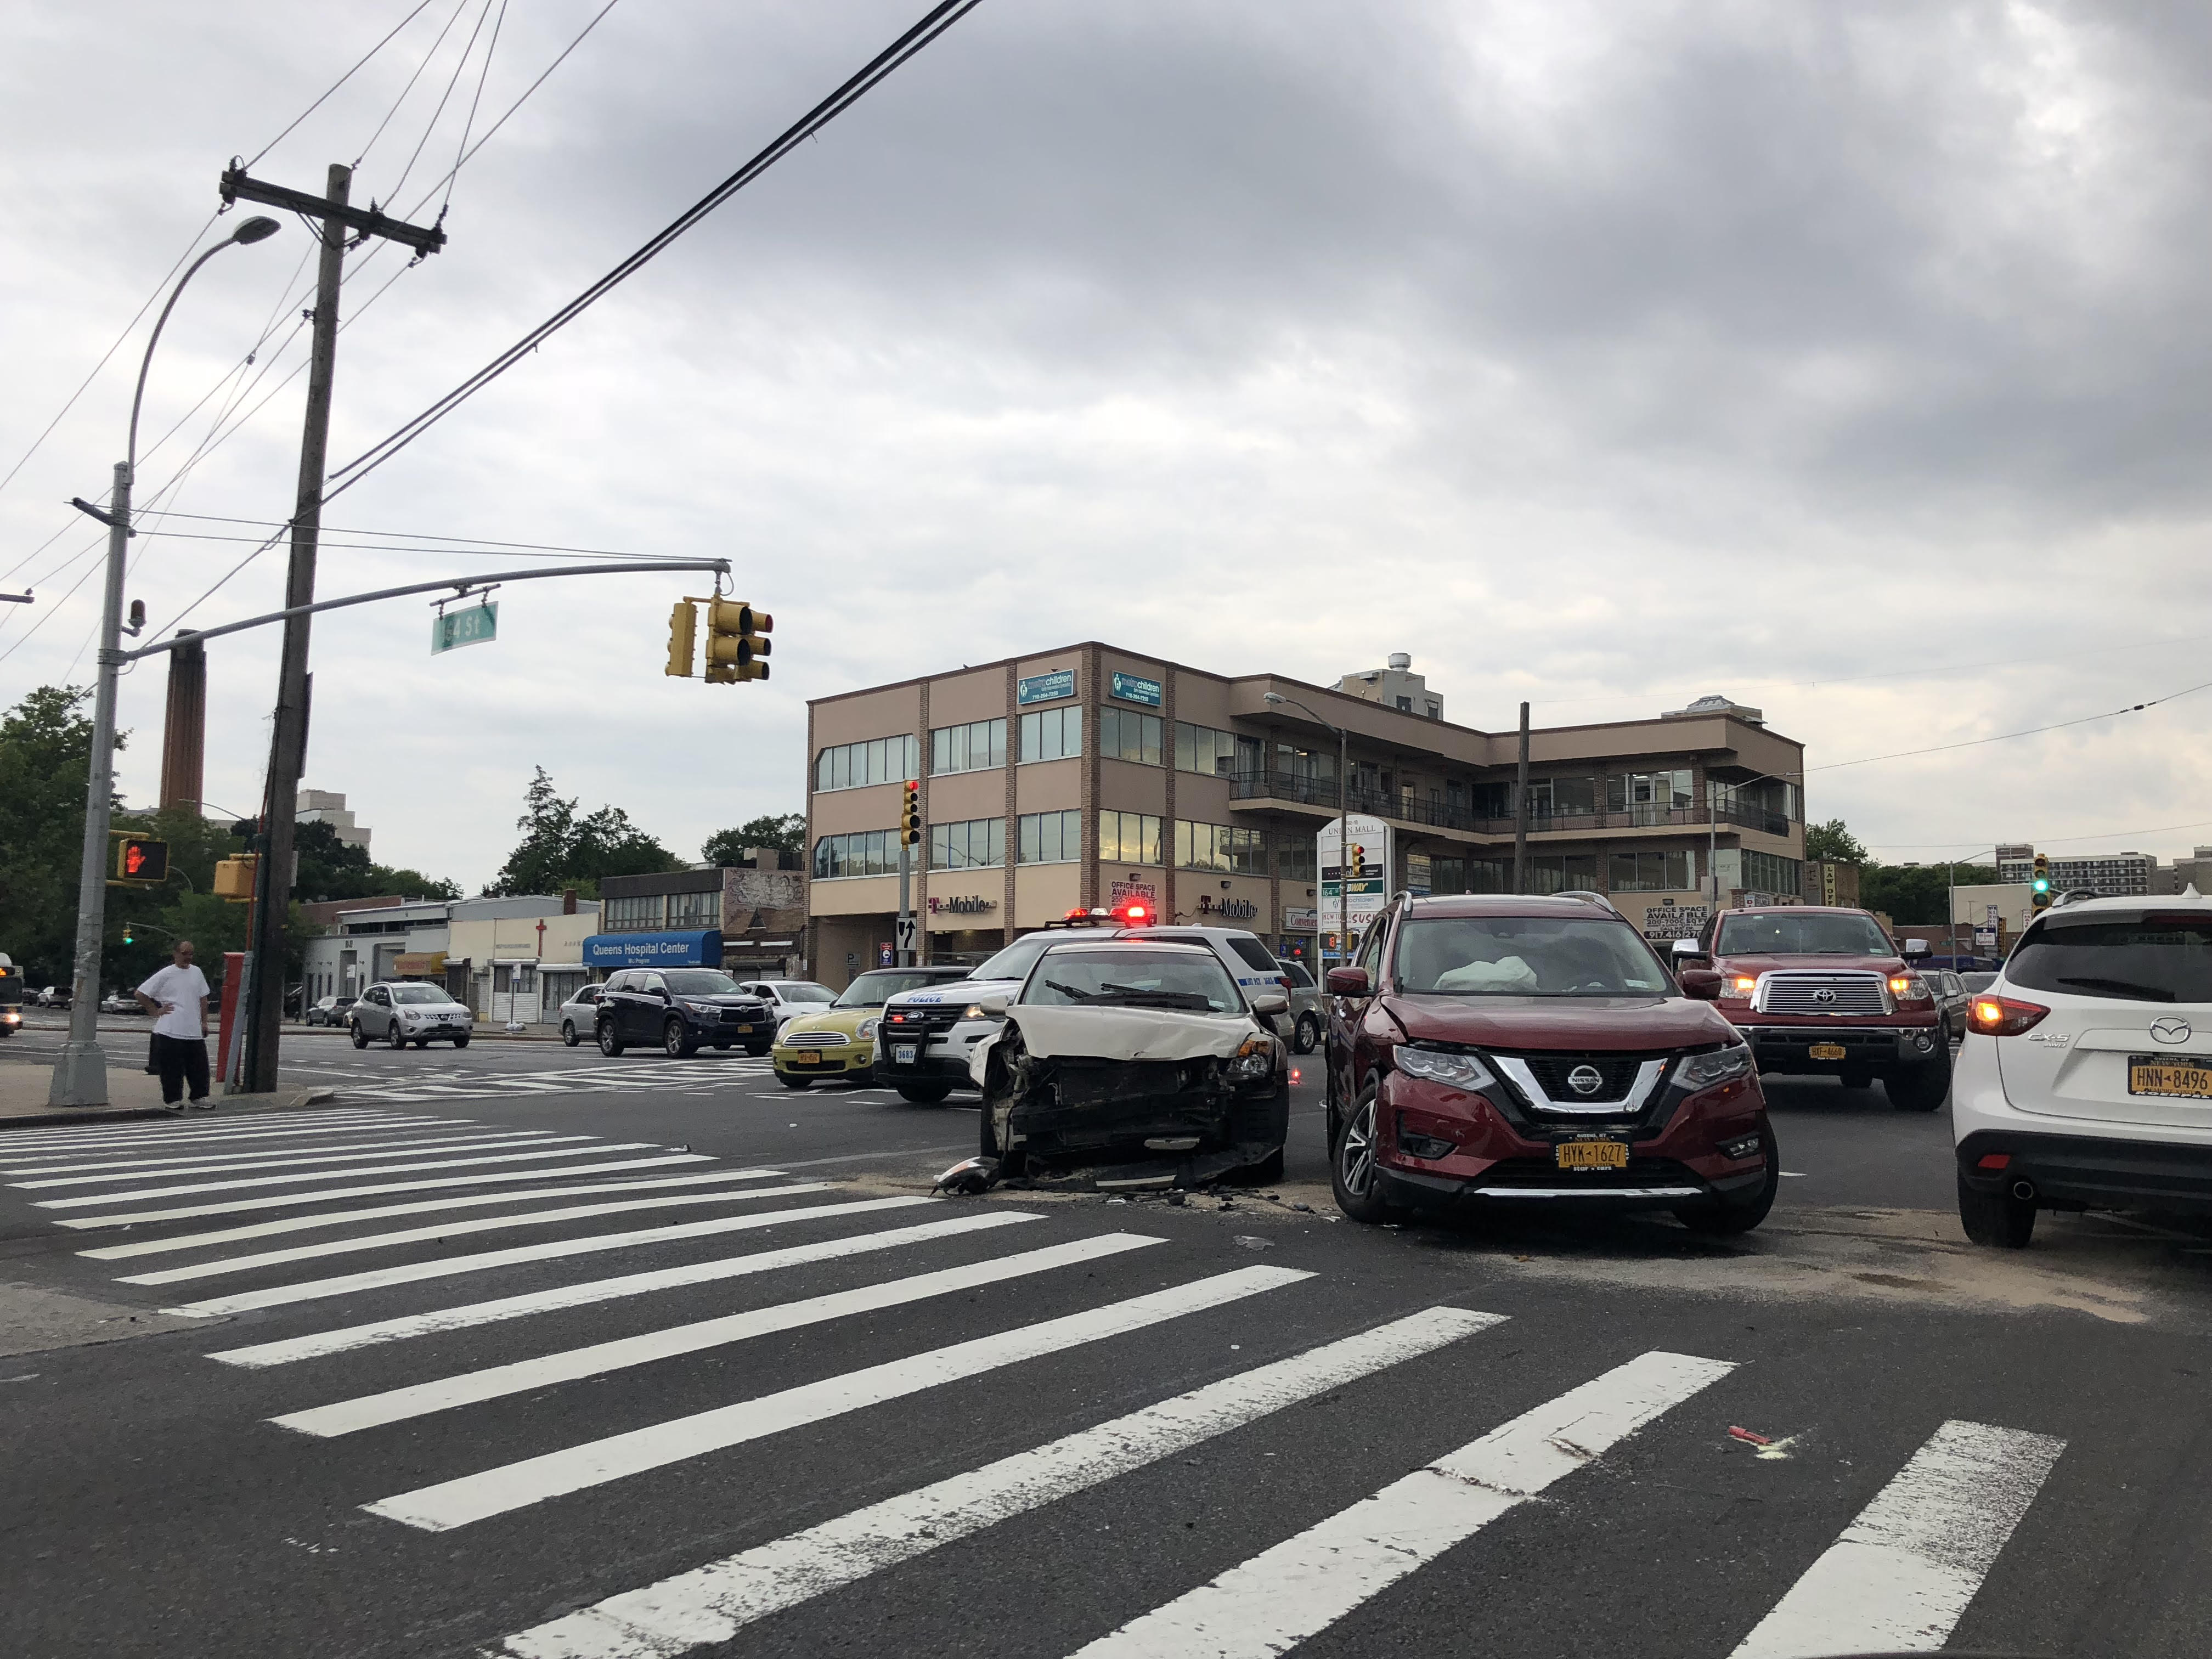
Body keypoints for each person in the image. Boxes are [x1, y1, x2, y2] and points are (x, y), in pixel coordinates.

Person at [136, 939, 212, 1112]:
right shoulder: (166, 974)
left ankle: (199, 1096)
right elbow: (141, 994)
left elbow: (203, 999)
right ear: (176, 954)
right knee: (172, 1068)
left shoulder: (197, 972)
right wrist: (155, 1011)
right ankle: (173, 1099)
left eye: (191, 954)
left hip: (193, 1030)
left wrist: (204, 1022)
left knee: (199, 1067)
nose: (188, 958)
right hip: (170, 1030)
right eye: (184, 954)